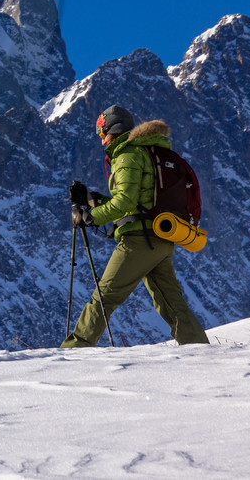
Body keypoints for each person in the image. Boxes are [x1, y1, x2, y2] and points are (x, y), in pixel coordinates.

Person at [61, 104, 210, 348]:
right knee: (171, 303)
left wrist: (91, 217)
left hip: (139, 241)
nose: (102, 141)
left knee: (104, 297)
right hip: (160, 238)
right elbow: (137, 204)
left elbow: (125, 201)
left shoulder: (127, 154)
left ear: (115, 131)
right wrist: (92, 199)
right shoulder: (148, 152)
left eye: (103, 134)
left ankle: (72, 351)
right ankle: (198, 348)